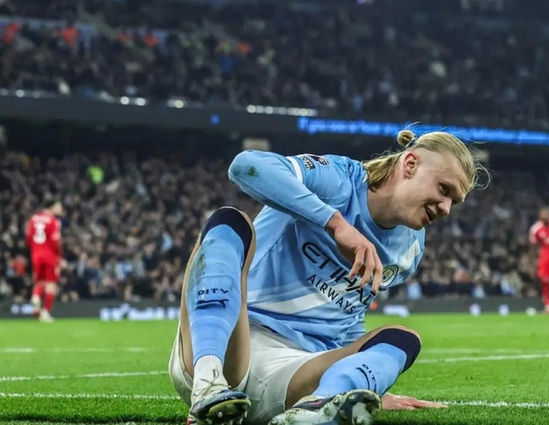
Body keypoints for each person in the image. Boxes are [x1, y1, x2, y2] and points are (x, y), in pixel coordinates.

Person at [168, 129, 484, 425]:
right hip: (231, 348)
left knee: (403, 339)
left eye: (454, 202)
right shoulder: (337, 180)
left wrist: (364, 380)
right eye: (444, 190)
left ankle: (318, 406)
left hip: (294, 377)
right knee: (229, 222)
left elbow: (350, 312)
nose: (446, 208)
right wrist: (335, 224)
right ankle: (208, 386)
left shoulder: (410, 249)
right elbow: (245, 166)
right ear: (410, 164)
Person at [25, 198, 65, 322]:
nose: (60, 209)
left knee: (39, 282)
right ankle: (45, 312)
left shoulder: (33, 218)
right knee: (51, 284)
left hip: (36, 254)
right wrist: (60, 257)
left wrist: (35, 249)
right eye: (58, 207)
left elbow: (28, 237)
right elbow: (55, 241)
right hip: (50, 255)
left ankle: (35, 298)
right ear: (52, 207)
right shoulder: (54, 221)